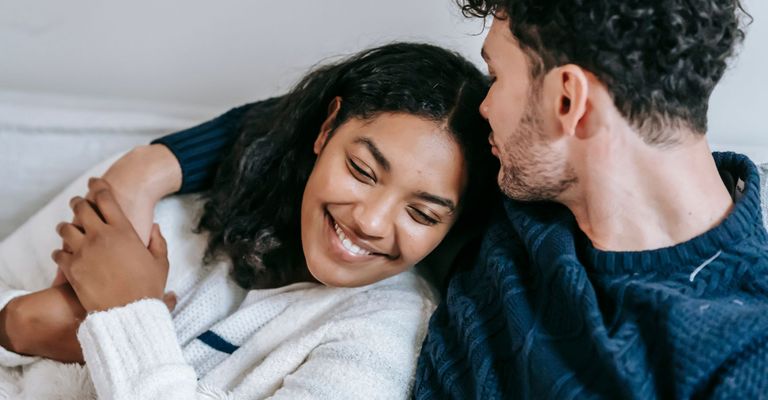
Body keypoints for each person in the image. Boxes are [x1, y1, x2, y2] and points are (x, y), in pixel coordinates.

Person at [0, 42, 497, 399]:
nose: (370, 220)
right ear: (327, 128)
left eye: (421, 213)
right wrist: (14, 323)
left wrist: (127, 316)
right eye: (361, 170)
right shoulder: (157, 207)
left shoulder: (384, 335)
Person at [414, 1, 768, 399]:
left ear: (568, 101)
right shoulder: (518, 188)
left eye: (495, 77)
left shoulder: (748, 355)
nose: (484, 105)